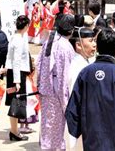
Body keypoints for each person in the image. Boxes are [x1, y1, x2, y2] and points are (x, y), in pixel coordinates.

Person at [37, 14, 75, 150]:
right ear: (71, 30)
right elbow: (65, 76)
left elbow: (39, 64)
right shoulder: (66, 47)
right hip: (57, 93)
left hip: (46, 89)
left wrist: (39, 85)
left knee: (48, 126)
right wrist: (66, 100)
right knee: (57, 128)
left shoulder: (50, 40)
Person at [5, 15, 31, 141]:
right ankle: (14, 131)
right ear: (26, 26)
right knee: (17, 101)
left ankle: (13, 130)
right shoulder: (19, 40)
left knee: (14, 102)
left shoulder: (15, 37)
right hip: (17, 73)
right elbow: (16, 61)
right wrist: (17, 81)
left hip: (13, 72)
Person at [68, 27, 96, 93]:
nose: (94, 44)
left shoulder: (86, 61)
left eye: (95, 41)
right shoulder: (76, 65)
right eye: (91, 41)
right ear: (78, 45)